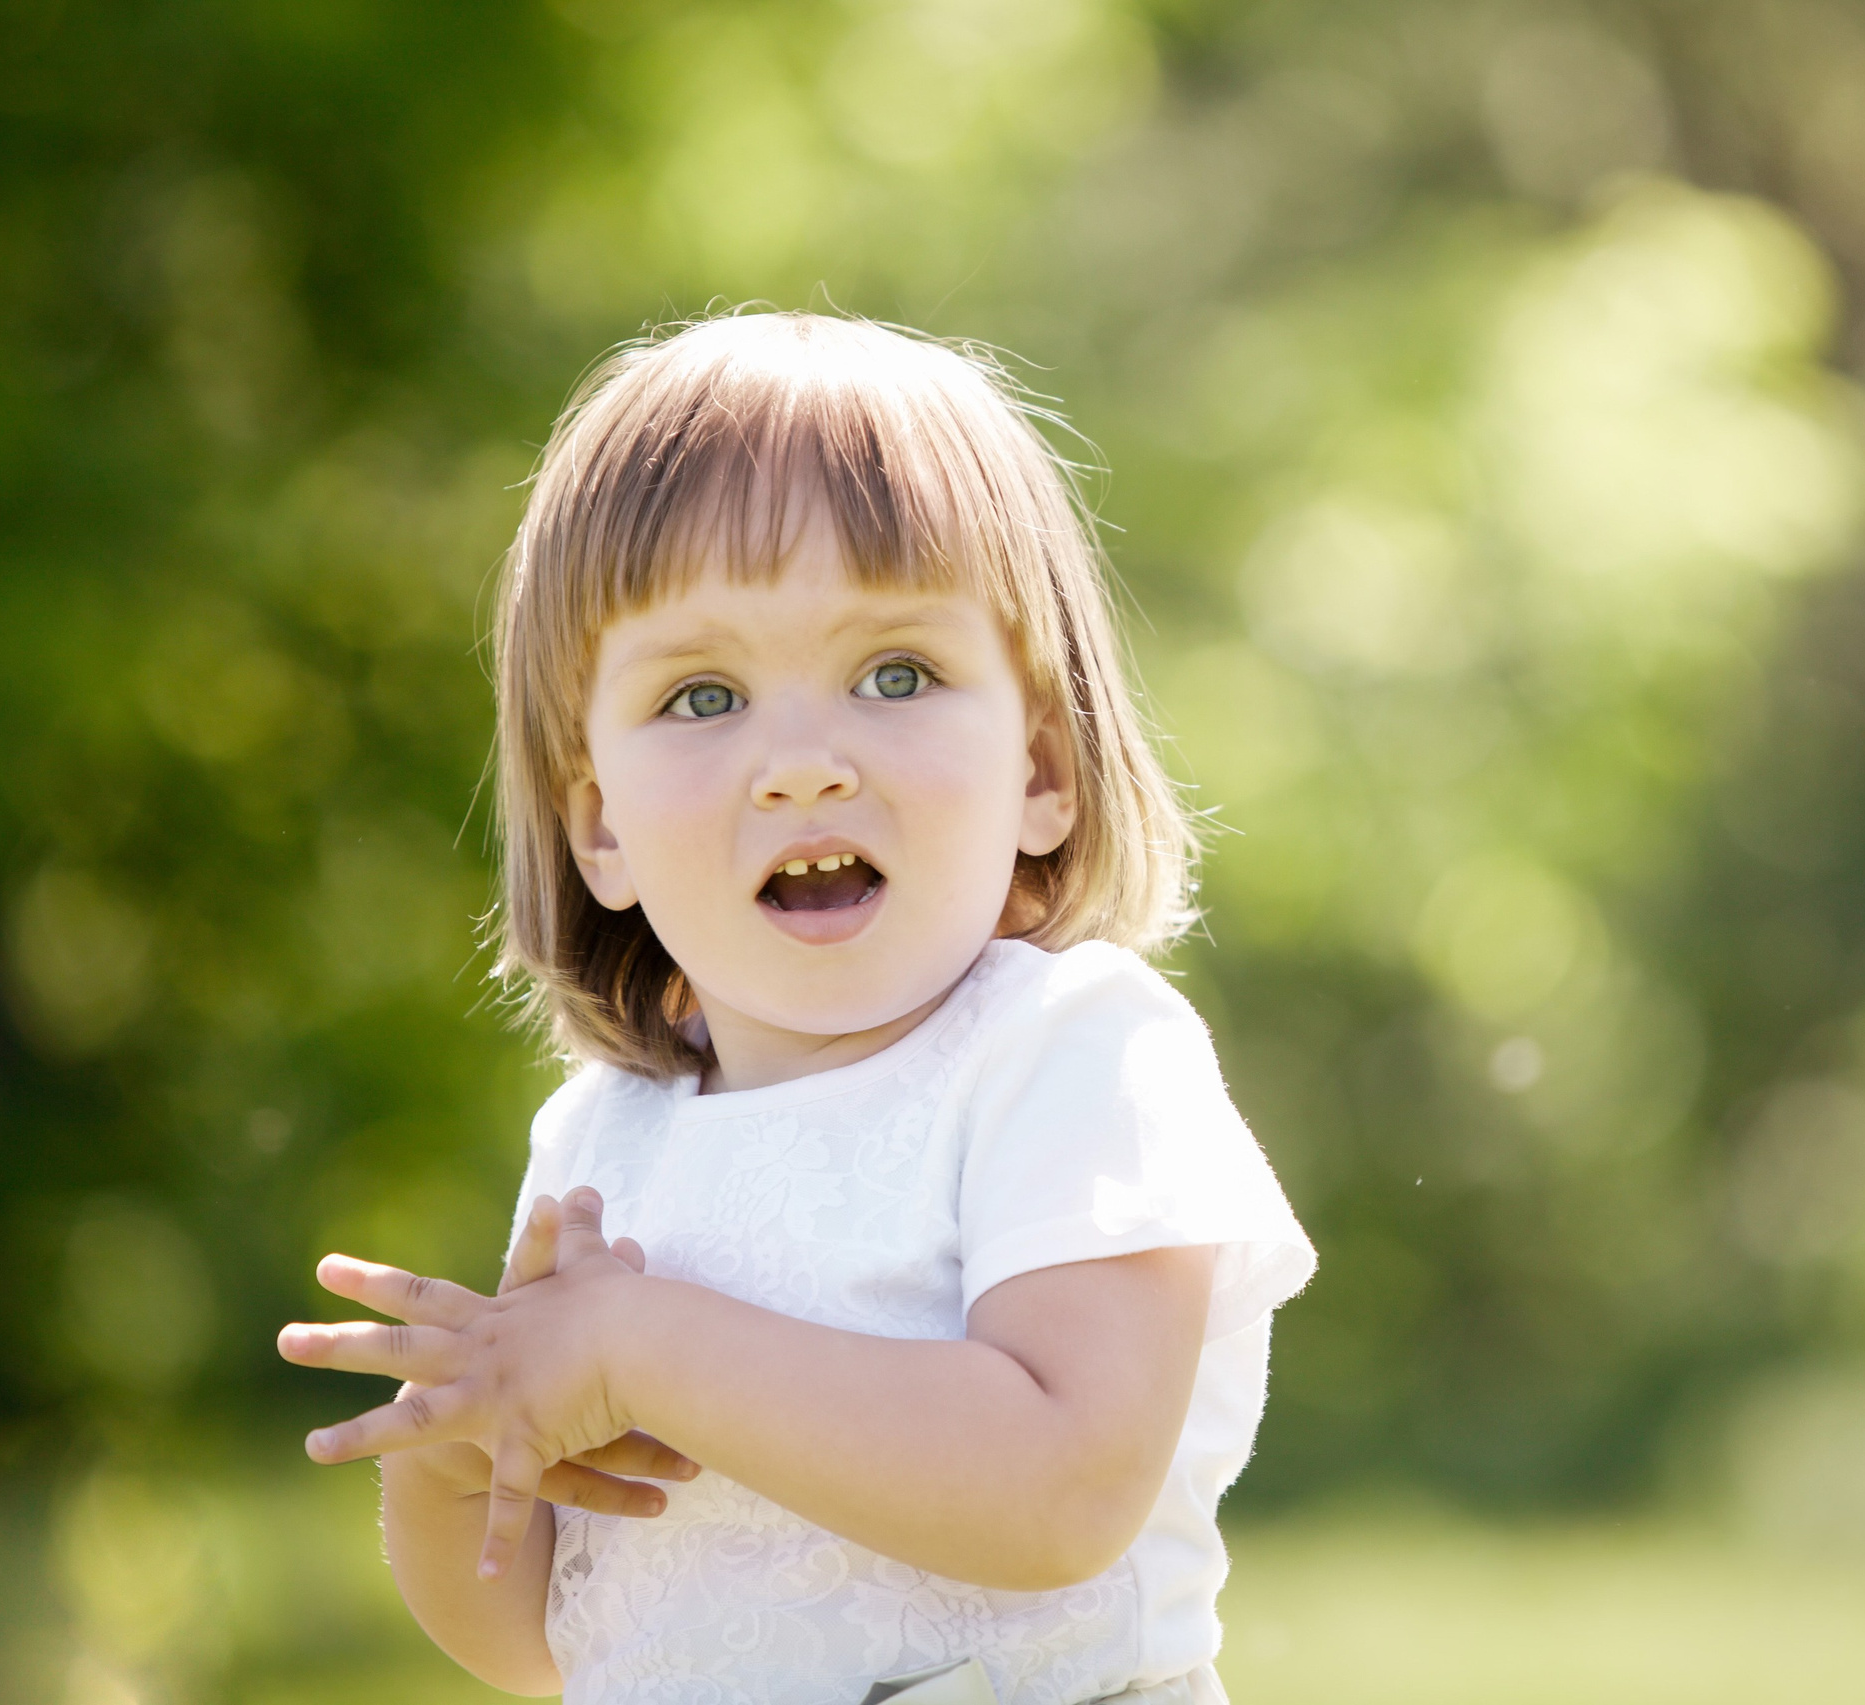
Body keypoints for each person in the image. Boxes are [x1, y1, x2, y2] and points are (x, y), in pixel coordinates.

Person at [275, 310, 1315, 1705]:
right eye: (704, 695)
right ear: (601, 830)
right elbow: (545, 1638)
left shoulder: (1072, 1057)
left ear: (1043, 769)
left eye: (896, 673)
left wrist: (643, 1347)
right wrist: (474, 1450)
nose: (801, 764)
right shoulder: (604, 1140)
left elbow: (1060, 1486)